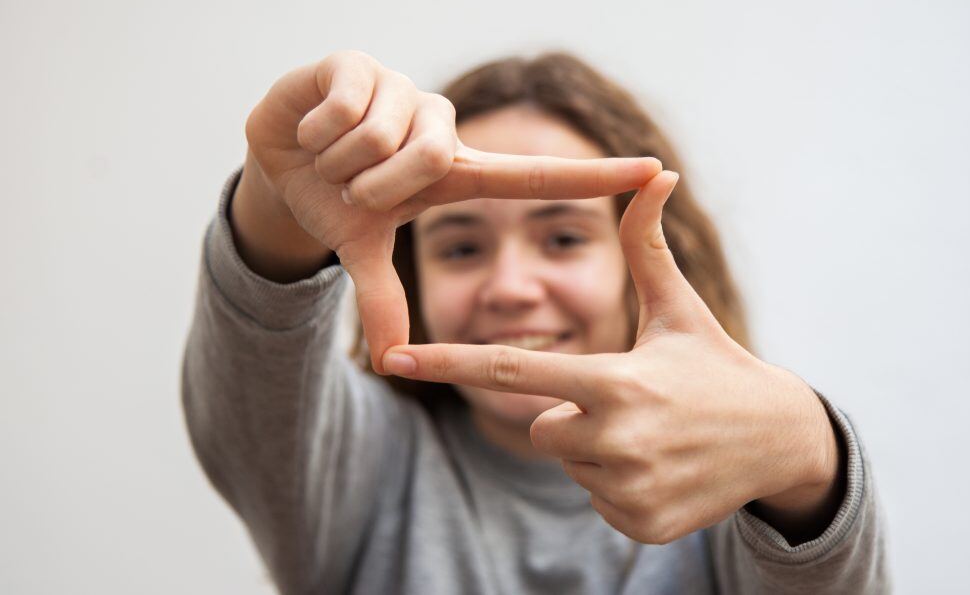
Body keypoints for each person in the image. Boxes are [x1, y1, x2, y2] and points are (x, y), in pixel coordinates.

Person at [181, 50, 889, 594]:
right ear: (414, 281)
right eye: (460, 246)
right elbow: (257, 371)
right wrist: (279, 195)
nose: (512, 287)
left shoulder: (744, 487)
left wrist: (805, 448)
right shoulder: (361, 465)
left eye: (563, 238)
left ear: (641, 263)